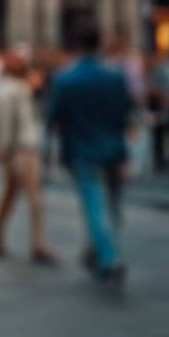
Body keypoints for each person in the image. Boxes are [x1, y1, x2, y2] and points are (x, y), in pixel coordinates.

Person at [46, 26, 133, 285]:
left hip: (82, 150)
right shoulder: (115, 76)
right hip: (114, 148)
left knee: (94, 205)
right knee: (112, 204)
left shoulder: (65, 78)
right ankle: (100, 249)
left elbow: (52, 118)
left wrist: (47, 155)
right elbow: (125, 112)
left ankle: (108, 256)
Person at [0, 52, 56, 265]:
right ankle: (37, 244)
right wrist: (4, 147)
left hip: (14, 149)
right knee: (34, 199)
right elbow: (8, 123)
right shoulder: (14, 90)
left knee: (9, 195)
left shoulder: (2, 88)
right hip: (22, 150)